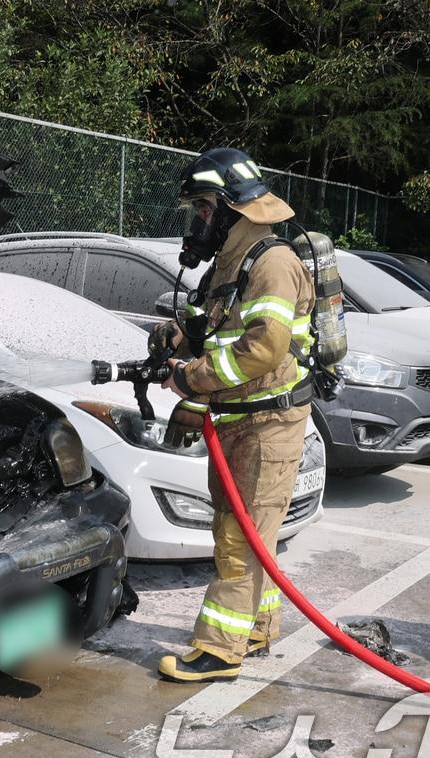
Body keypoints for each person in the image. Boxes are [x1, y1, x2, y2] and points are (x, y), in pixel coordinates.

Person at [152, 147, 316, 683]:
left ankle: (219, 651)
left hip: (269, 423)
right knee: (247, 533)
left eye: (202, 208)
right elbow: (209, 332)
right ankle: (257, 629)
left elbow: (263, 350)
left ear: (228, 206)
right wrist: (176, 345)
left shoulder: (272, 261)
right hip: (239, 419)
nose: (198, 222)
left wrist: (190, 380)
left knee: (240, 540)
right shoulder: (233, 259)